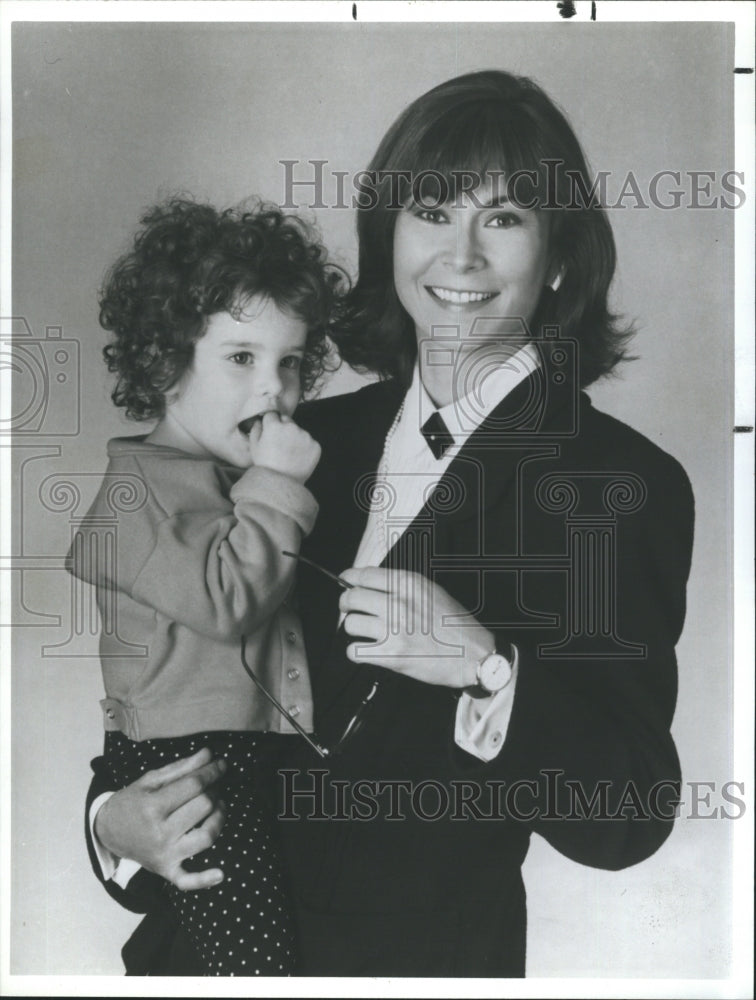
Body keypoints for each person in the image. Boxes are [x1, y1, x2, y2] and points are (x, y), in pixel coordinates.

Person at [86, 71, 694, 977]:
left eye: (504, 218)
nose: (461, 256)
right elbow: (163, 682)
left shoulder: (620, 482)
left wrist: (484, 667)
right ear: (389, 235)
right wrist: (111, 825)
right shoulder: (295, 442)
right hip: (198, 958)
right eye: (433, 211)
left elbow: (629, 812)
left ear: (560, 255)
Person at [70, 197, 344, 975]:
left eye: (290, 362)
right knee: (251, 966)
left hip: (242, 754)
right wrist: (277, 485)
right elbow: (229, 603)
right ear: (165, 360)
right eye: (241, 358)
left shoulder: (229, 477)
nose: (274, 389)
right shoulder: (137, 494)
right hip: (183, 762)